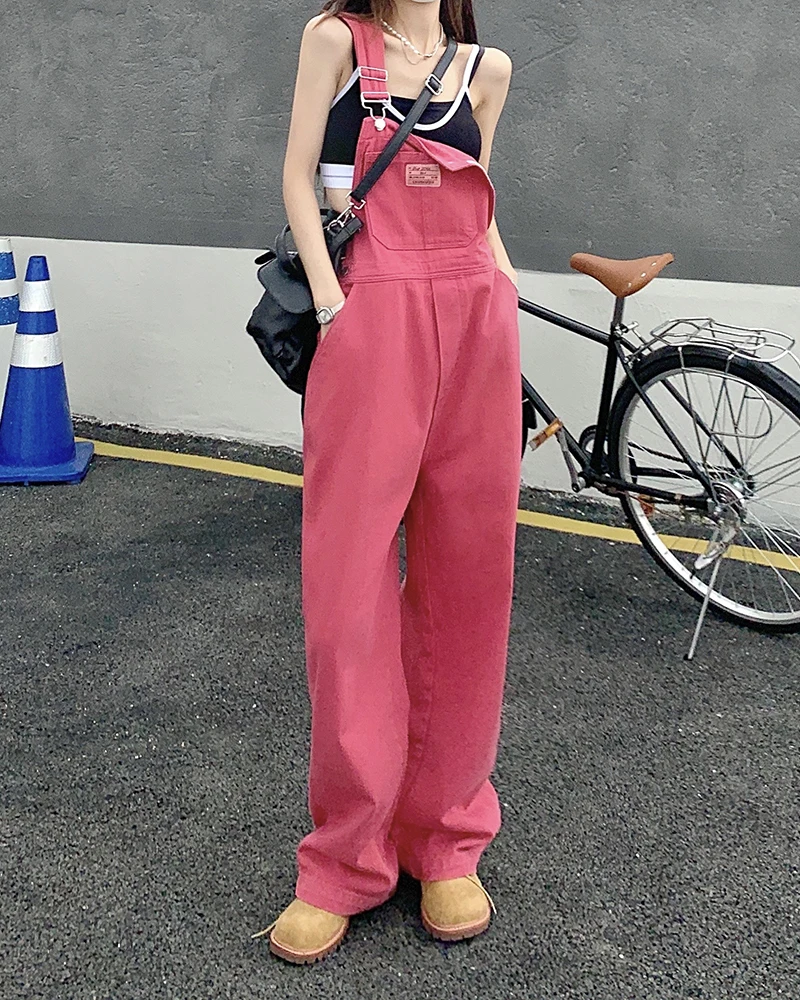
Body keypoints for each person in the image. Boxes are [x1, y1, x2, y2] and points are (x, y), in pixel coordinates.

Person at [258, 0, 522, 964]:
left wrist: (506, 309)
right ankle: (345, 859)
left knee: (469, 584)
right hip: (370, 315)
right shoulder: (335, 41)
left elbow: (484, 208)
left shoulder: (485, 69)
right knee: (346, 597)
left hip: (477, 318)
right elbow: (297, 177)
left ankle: (446, 839)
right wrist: (337, 306)